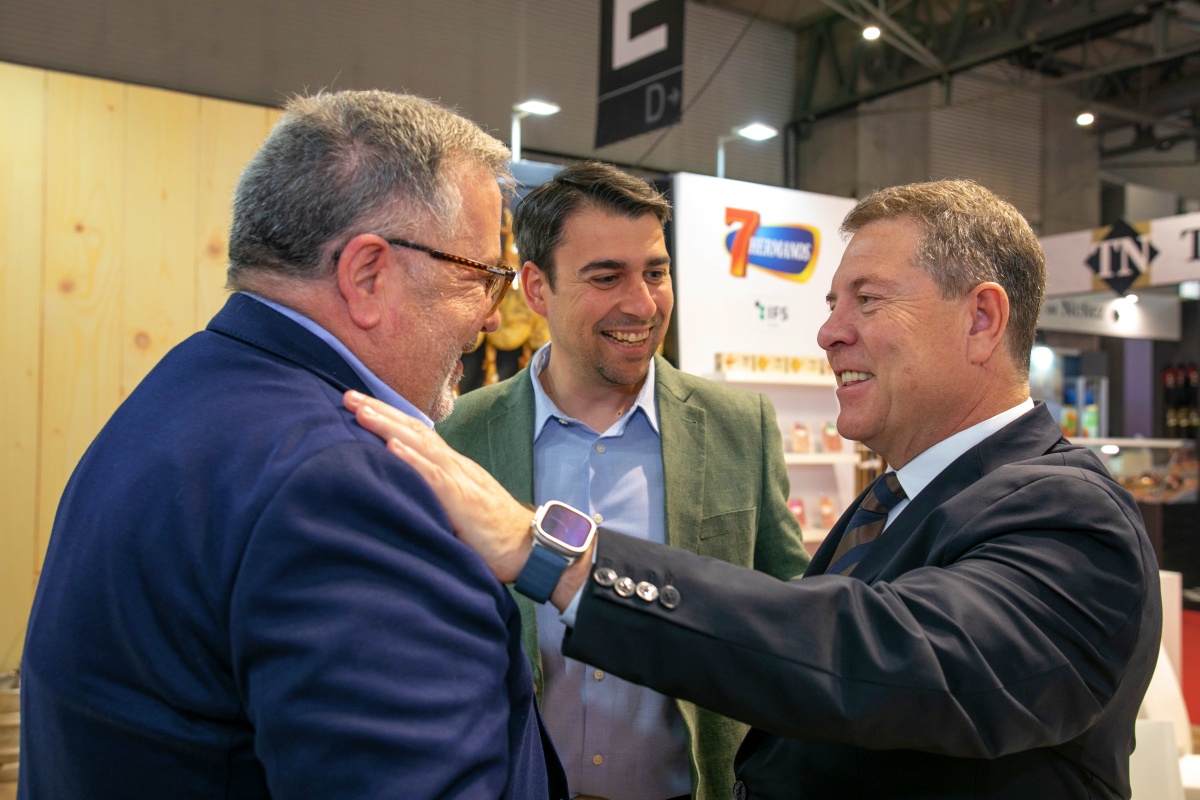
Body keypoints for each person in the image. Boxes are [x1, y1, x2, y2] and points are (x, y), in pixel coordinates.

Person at [345, 178, 1162, 800]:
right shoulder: (897, 500)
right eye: (833, 302)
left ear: (981, 319)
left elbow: (873, 654)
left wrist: (557, 556)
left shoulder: (1069, 515)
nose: (828, 330)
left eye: (868, 300)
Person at [20, 90, 567, 800]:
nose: (493, 318)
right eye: (481, 277)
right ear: (367, 275)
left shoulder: (180, 389)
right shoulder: (341, 486)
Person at [436, 161, 808, 800]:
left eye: (655, 273)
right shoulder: (458, 434)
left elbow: (791, 619)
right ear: (537, 288)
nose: (642, 304)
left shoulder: (739, 427)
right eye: (606, 277)